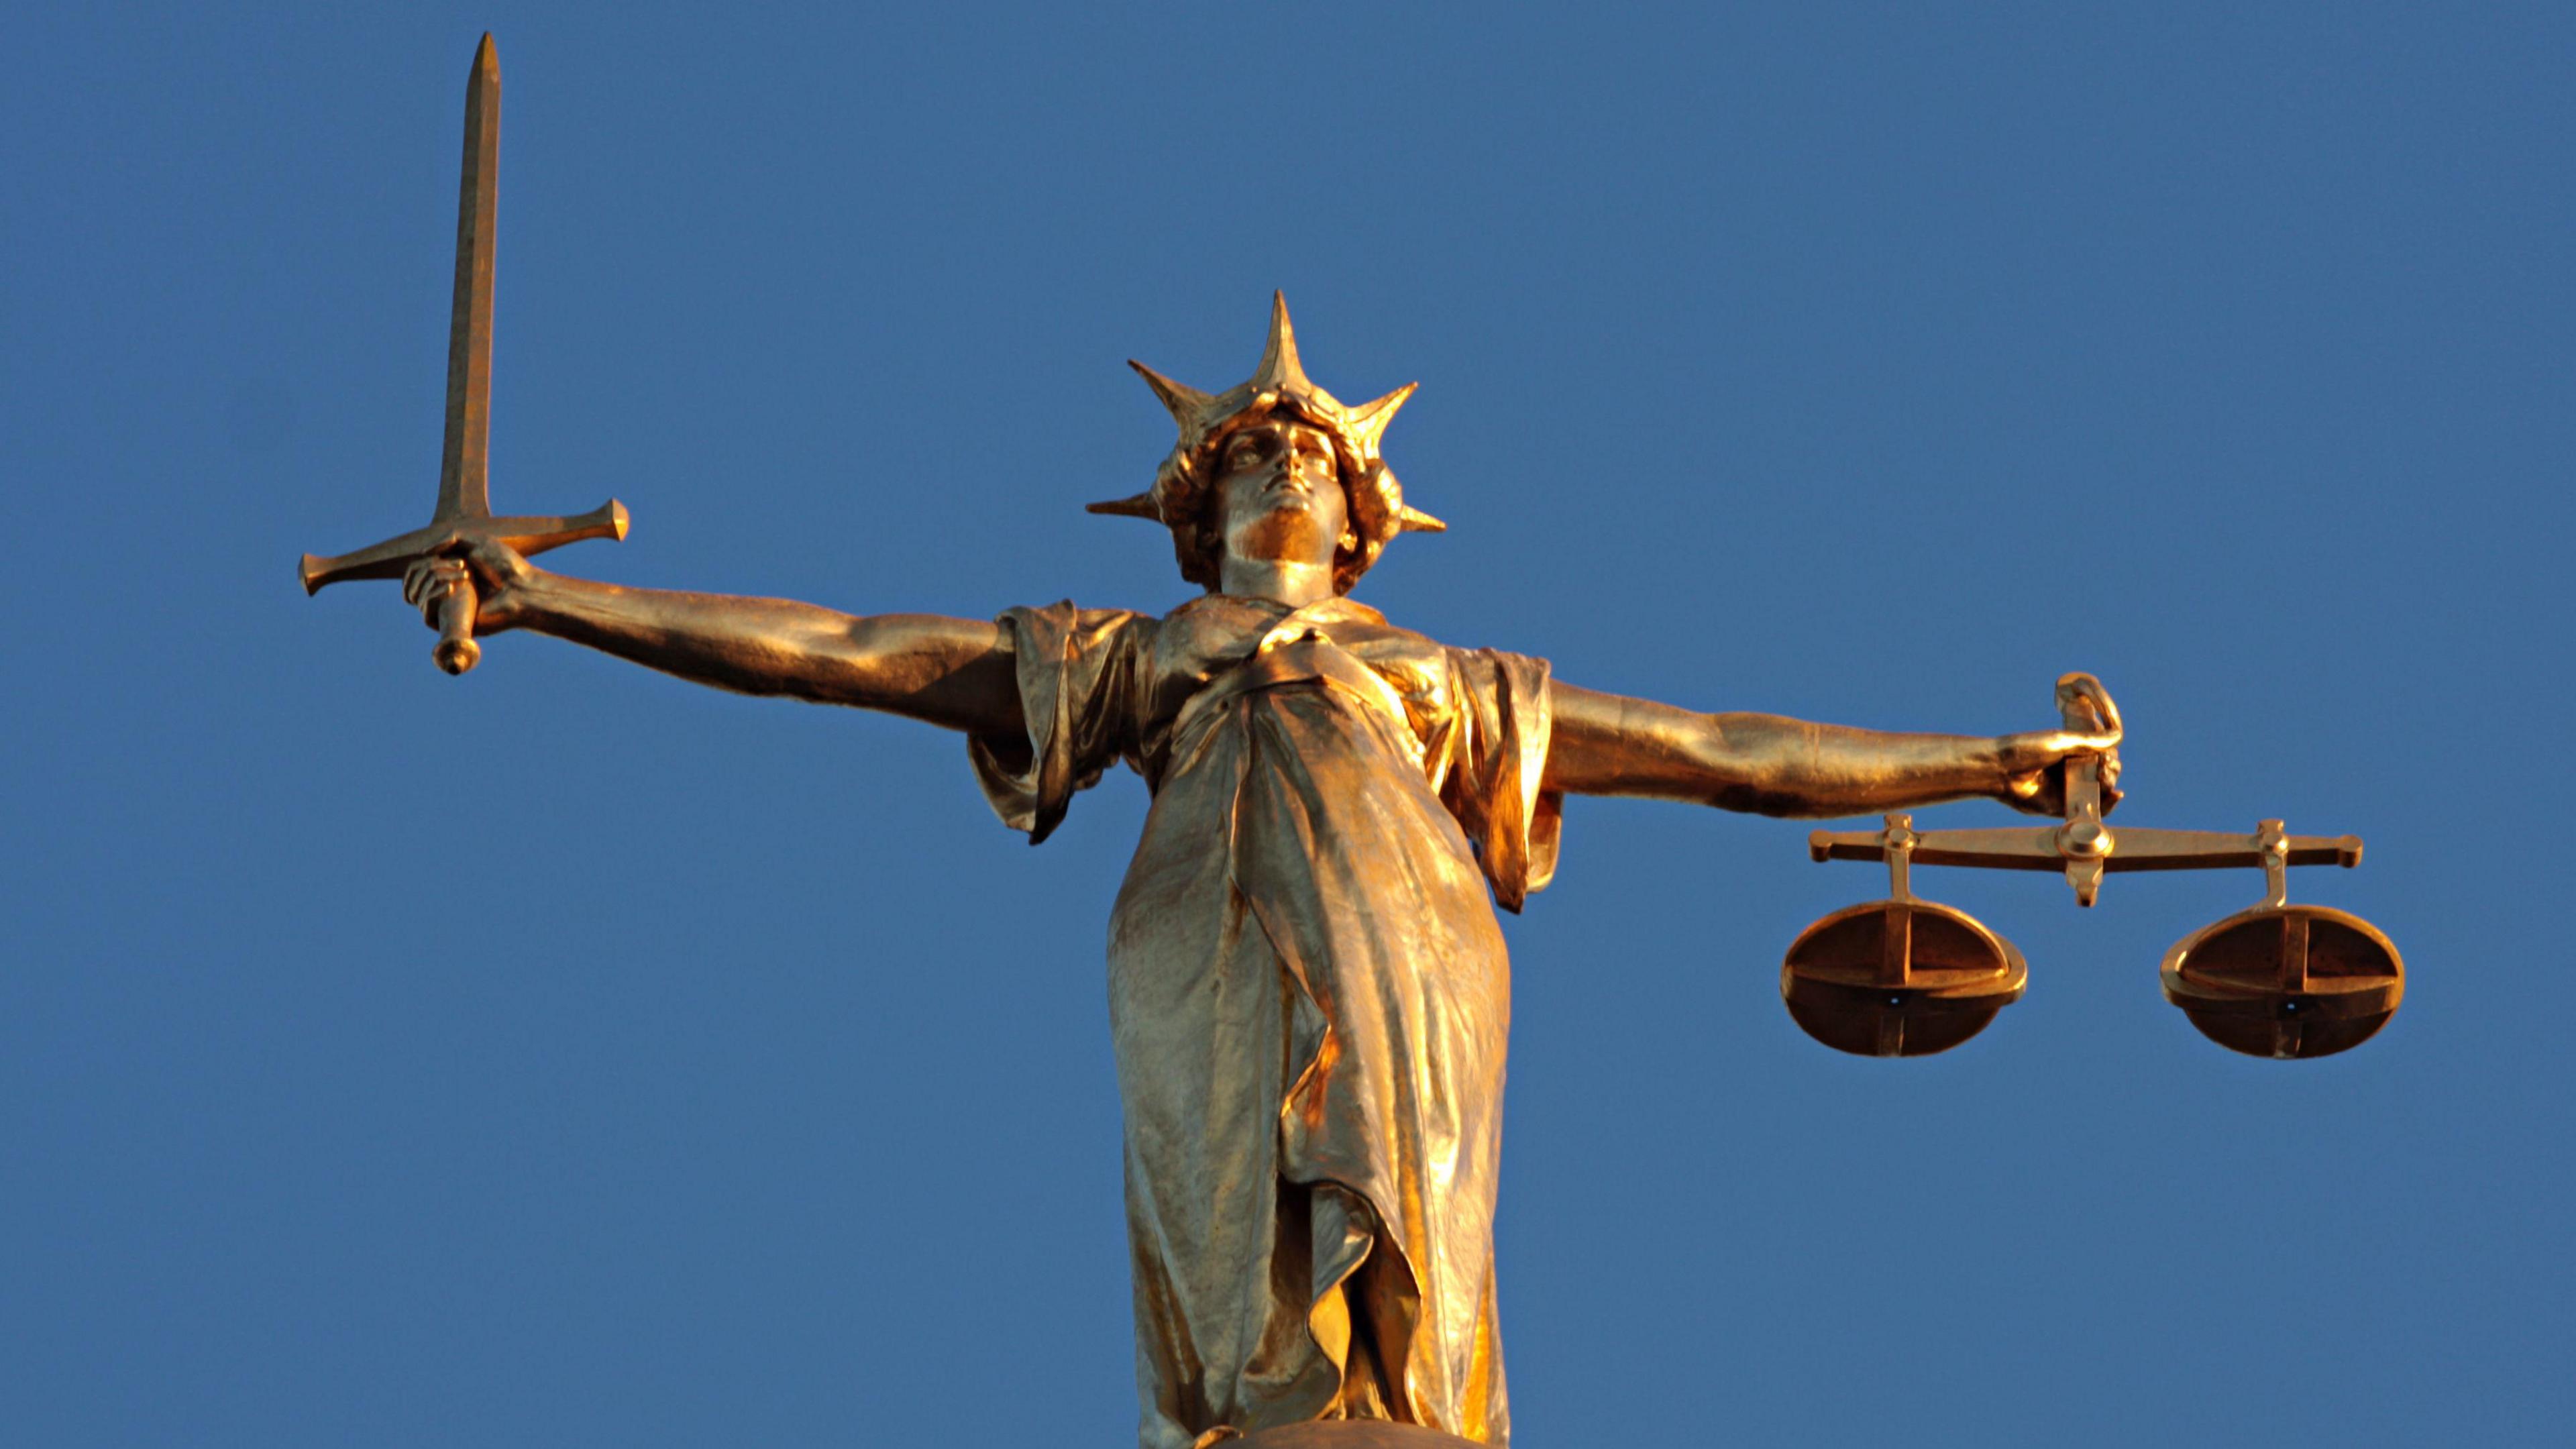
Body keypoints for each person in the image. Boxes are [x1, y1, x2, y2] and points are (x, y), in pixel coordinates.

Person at [405, 297, 2118, 1449]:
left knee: (1407, 1197)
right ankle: (1262, 1402)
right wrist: (559, 602)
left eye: (1311, 449)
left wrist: (1981, 761)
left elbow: (1719, 749)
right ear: (1196, 498)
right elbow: (848, 649)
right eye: (1250, 448)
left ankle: (1389, 1406)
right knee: (1220, 1203)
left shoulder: (1439, 684)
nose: (1284, 457)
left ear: (1366, 512)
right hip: (1196, 927)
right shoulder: (1141, 660)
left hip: (1407, 929)